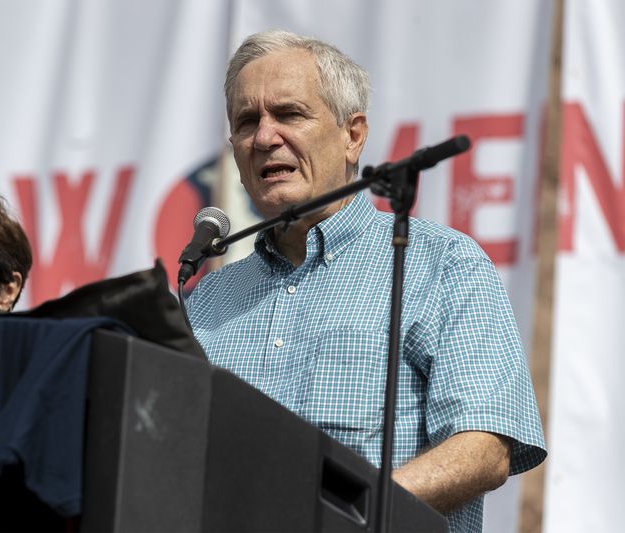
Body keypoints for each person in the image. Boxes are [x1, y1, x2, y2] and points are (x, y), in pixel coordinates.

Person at [186, 30, 546, 531]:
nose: (265, 138)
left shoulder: (442, 264)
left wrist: (335, 515)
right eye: (247, 122)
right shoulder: (206, 301)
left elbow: (483, 449)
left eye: (289, 114)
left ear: (353, 135)